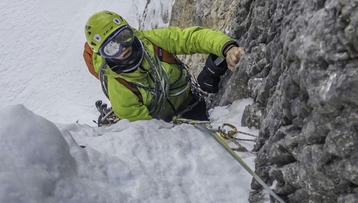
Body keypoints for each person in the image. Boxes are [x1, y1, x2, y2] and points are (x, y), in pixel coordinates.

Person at [83, 10, 245, 125]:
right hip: (164, 124)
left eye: (124, 37)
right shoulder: (119, 87)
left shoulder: (151, 43)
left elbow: (191, 38)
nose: (123, 48)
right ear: (104, 54)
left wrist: (226, 48)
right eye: (111, 48)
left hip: (191, 103)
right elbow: (146, 130)